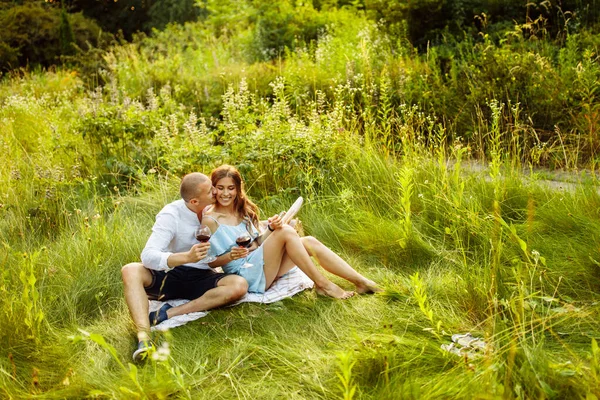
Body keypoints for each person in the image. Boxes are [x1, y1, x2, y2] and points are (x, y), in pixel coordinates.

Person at [121, 172, 248, 362]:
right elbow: (148, 255)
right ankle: (144, 339)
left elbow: (243, 226)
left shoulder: (217, 208)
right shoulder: (171, 214)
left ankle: (167, 313)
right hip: (170, 275)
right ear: (195, 201)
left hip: (202, 276)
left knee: (239, 285)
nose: (216, 191)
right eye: (210, 190)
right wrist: (185, 257)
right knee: (130, 269)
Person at [202, 165, 381, 299]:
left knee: (309, 241)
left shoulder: (242, 210)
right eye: (220, 187)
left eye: (231, 188)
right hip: (244, 275)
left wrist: (271, 228)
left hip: (260, 263)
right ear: (213, 188)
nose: (225, 193)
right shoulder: (210, 220)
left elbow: (255, 244)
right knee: (286, 232)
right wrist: (231, 256)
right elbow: (209, 263)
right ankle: (324, 284)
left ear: (238, 189)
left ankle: (361, 282)